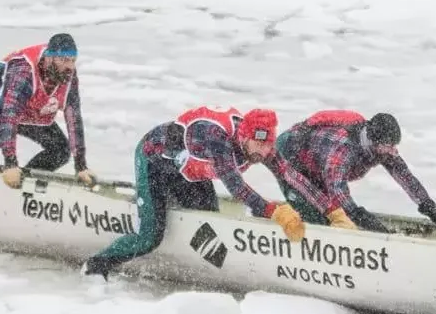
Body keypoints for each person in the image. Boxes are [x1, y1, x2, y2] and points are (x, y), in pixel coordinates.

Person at [80, 106, 329, 280]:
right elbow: (235, 185)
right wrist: (273, 211)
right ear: (244, 137)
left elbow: (290, 175)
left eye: (268, 145)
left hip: (189, 172)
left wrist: (332, 211)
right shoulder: (216, 138)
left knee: (211, 220)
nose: (264, 153)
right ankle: (96, 266)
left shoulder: (259, 142)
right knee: (149, 238)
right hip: (154, 161)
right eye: (260, 145)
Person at [274, 111, 436, 233]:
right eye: (389, 146)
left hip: (318, 163)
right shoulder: (343, 150)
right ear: (374, 141)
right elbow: (337, 190)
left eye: (394, 145)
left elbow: (404, 175)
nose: (393, 150)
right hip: (290, 154)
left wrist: (428, 205)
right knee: (321, 216)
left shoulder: (382, 147)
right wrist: (358, 215)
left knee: (332, 212)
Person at [0, 32, 94, 186]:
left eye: (72, 60)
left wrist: (81, 165)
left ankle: (25, 184)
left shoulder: (68, 74)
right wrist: (10, 162)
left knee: (60, 150)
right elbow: (9, 115)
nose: (69, 66)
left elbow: (74, 118)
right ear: (49, 58)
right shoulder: (24, 71)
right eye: (63, 60)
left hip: (31, 109)